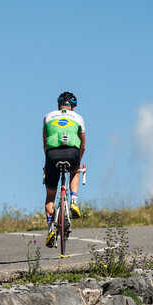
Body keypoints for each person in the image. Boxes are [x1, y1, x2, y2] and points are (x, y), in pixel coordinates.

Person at [43, 91, 86, 246]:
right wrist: (78, 160)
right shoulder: (78, 118)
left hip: (52, 155)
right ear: (72, 106)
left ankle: (50, 229)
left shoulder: (48, 116)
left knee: (50, 196)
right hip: (72, 152)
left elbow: (45, 142)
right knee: (75, 170)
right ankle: (73, 200)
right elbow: (83, 145)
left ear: (59, 105)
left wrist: (47, 161)